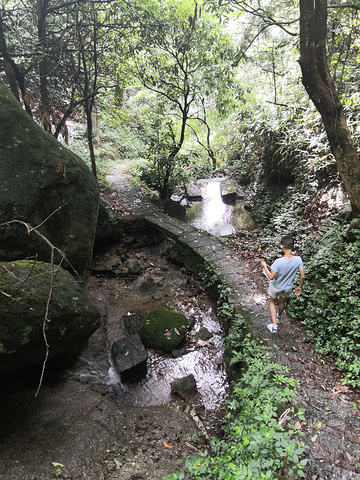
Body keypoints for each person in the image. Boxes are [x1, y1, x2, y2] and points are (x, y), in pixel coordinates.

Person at [260, 235, 305, 333]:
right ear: (293, 246)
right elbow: (302, 276)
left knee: (272, 302)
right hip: (287, 287)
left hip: (276, 286)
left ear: (281, 247)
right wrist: (299, 287)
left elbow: (271, 276)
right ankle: (279, 317)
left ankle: (274, 326)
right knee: (282, 302)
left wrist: (264, 267)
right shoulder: (298, 259)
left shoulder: (278, 262)